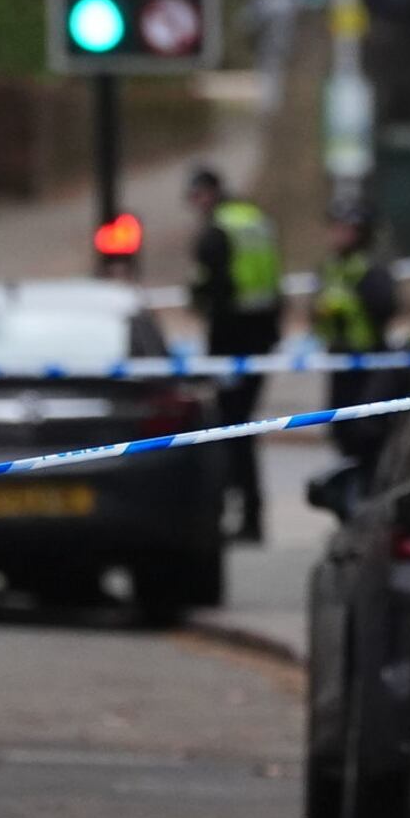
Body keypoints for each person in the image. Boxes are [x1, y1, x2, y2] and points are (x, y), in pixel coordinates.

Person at [186, 166, 284, 543]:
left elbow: (207, 290)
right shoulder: (255, 220)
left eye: (196, 197)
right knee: (240, 426)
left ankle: (244, 516)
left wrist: (200, 299)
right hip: (260, 340)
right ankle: (249, 515)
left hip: (231, 343)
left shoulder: (216, 233)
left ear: (207, 193)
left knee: (232, 428)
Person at [309, 195, 398, 464]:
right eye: (334, 227)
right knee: (340, 430)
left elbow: (385, 307)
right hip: (339, 357)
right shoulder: (330, 266)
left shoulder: (370, 268)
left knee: (365, 432)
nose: (336, 234)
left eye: (344, 228)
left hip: (368, 359)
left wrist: (346, 306)